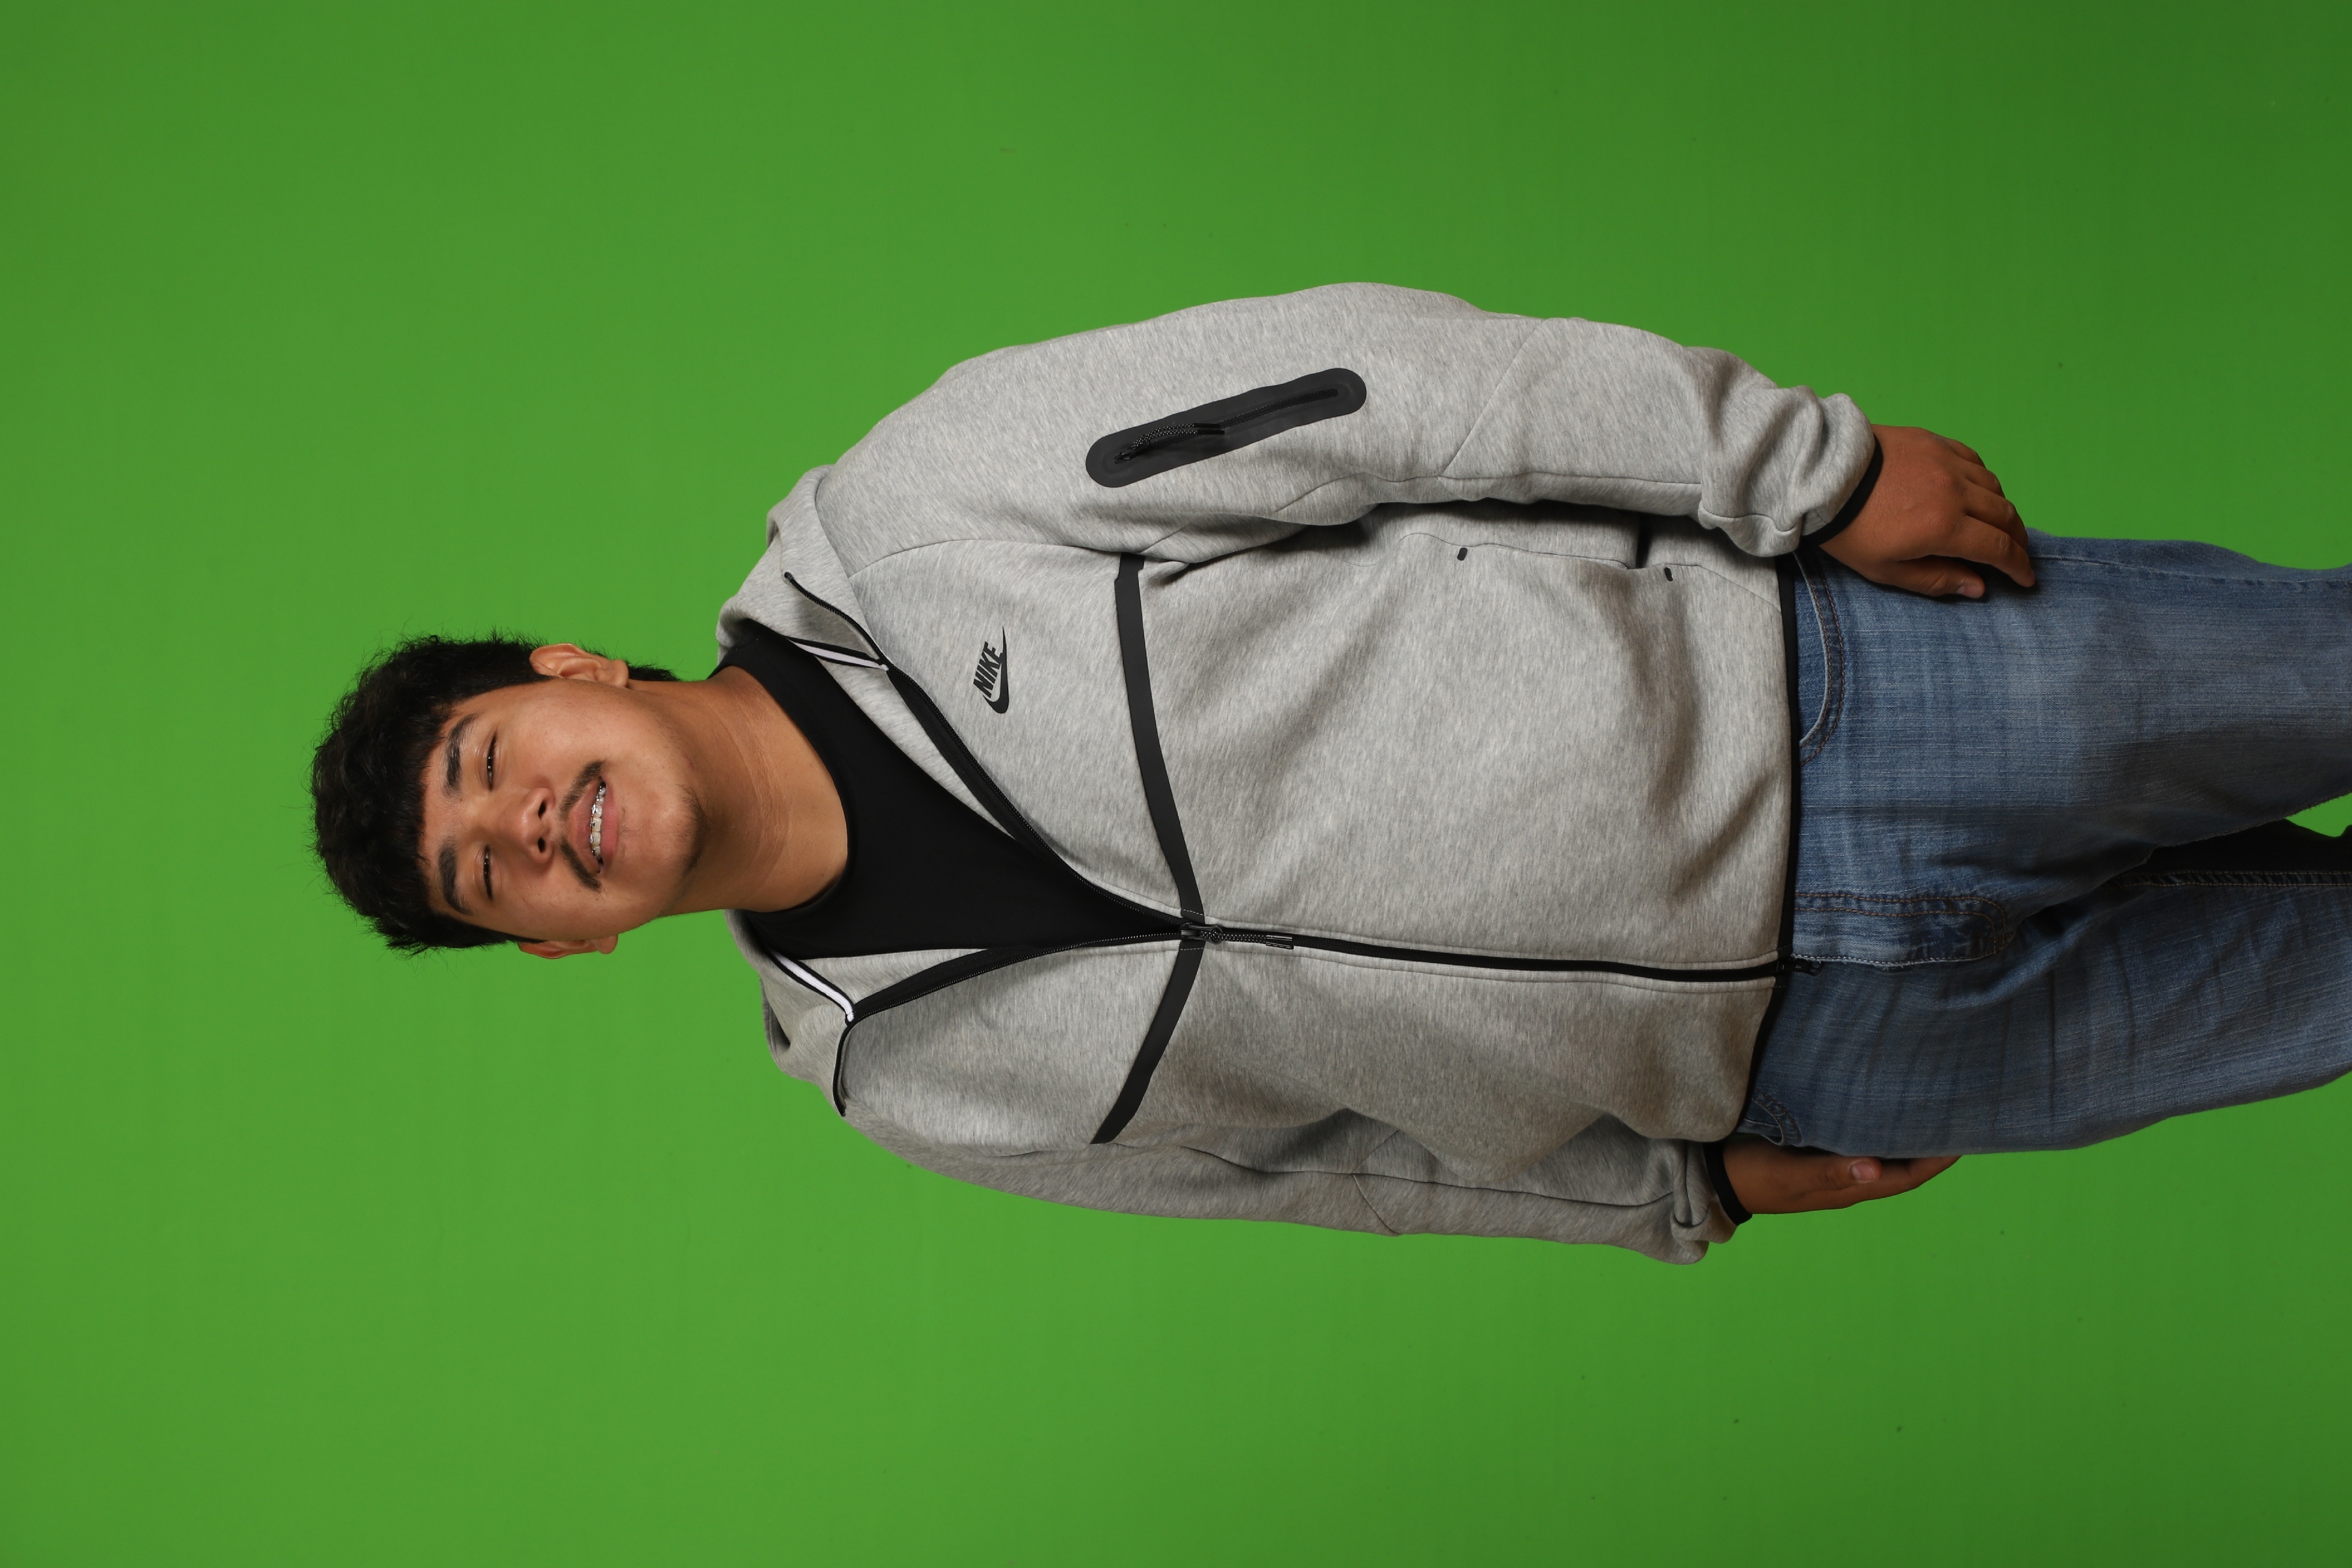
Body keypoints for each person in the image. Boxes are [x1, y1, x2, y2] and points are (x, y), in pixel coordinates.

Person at [310, 284, 2352, 1262]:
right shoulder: (903, 1082)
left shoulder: (921, 511)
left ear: (573, 670)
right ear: (560, 943)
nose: (526, 825)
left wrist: (1798, 468)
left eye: (493, 762)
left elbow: (1383, 392)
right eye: (490, 870)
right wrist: (1675, 1189)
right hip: (1818, 1051)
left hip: (1836, 702)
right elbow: (1322, 1173)